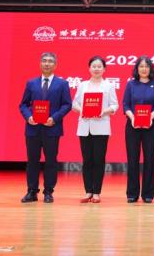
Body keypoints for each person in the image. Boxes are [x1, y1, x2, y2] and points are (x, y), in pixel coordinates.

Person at [19, 52, 72, 203]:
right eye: (44, 61)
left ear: (55, 65)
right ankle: (32, 191)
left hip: (52, 128)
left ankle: (48, 192)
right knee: (32, 161)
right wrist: (28, 117)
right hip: (33, 128)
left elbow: (67, 104)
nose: (47, 63)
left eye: (50, 61)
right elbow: (23, 104)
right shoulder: (31, 83)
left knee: (51, 161)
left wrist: (54, 118)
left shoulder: (62, 84)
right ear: (40, 63)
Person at [72, 56, 118, 204]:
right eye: (94, 66)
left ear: (104, 69)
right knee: (87, 160)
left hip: (101, 127)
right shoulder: (82, 85)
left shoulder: (108, 86)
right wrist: (82, 110)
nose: (96, 69)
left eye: (99, 66)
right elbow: (74, 104)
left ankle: (96, 192)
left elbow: (115, 105)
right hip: (84, 127)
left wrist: (104, 111)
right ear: (89, 68)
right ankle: (88, 191)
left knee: (99, 160)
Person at [123, 56, 154, 203]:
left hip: (151, 126)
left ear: (150, 68)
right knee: (132, 159)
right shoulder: (131, 84)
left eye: (146, 66)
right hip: (133, 125)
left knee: (149, 159)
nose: (144, 69)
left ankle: (148, 194)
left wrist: (151, 116)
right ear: (137, 69)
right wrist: (132, 117)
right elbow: (125, 104)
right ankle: (132, 193)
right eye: (141, 66)